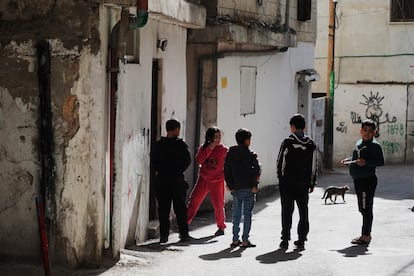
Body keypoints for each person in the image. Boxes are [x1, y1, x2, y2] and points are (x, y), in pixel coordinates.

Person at [276, 114, 317, 250]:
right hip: (303, 184)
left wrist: (281, 180)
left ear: (292, 127)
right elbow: (313, 165)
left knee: (287, 211)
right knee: (303, 211)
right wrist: (312, 182)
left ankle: (285, 239)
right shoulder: (310, 144)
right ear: (304, 127)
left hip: (288, 183)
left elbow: (280, 162)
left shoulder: (287, 142)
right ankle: (302, 239)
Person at [341, 119, 384, 245]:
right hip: (358, 180)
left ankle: (366, 235)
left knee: (366, 208)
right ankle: (366, 233)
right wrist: (349, 161)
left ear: (374, 133)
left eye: (370, 131)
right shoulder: (359, 142)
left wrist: (366, 163)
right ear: (360, 131)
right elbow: (357, 158)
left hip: (368, 180)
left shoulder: (375, 146)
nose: (367, 133)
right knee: (362, 207)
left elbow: (380, 161)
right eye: (365, 130)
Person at [150, 119, 191, 243]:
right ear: (177, 129)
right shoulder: (181, 145)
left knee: (163, 209)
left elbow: (154, 162)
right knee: (180, 209)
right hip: (177, 180)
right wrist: (178, 170)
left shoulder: (158, 145)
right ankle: (183, 234)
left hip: (162, 179)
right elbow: (187, 161)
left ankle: (164, 236)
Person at [187, 127, 228, 236]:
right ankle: (185, 223)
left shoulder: (224, 150)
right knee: (194, 200)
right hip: (204, 179)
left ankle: (221, 227)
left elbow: (228, 166)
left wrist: (225, 178)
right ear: (210, 138)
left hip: (217, 181)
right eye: (215, 137)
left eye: (219, 137)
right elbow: (199, 159)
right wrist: (209, 149)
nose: (218, 139)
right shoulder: (204, 148)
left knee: (218, 204)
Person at [224, 128, 261, 248]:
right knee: (247, 214)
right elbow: (256, 171)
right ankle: (245, 240)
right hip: (249, 188)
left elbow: (227, 170)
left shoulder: (230, 153)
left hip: (236, 189)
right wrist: (255, 185)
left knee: (236, 214)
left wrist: (230, 185)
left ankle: (235, 239)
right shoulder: (251, 155)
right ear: (247, 141)